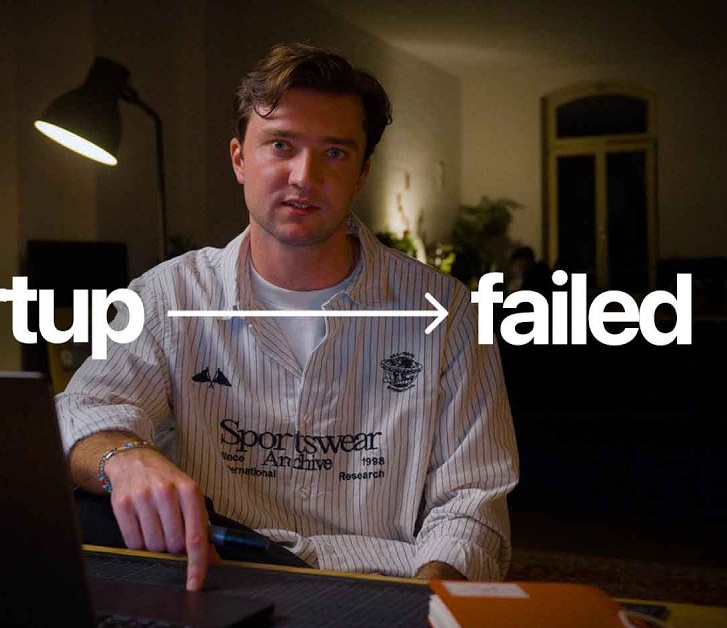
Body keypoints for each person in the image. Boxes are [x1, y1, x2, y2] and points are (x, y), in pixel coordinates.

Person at [56, 42, 518, 592]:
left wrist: (421, 606)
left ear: (362, 173)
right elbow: (81, 413)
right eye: (281, 144)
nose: (304, 175)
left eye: (335, 152)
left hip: (382, 589)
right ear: (239, 159)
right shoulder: (166, 297)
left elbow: (471, 503)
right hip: (222, 581)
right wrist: (125, 457)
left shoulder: (446, 313)